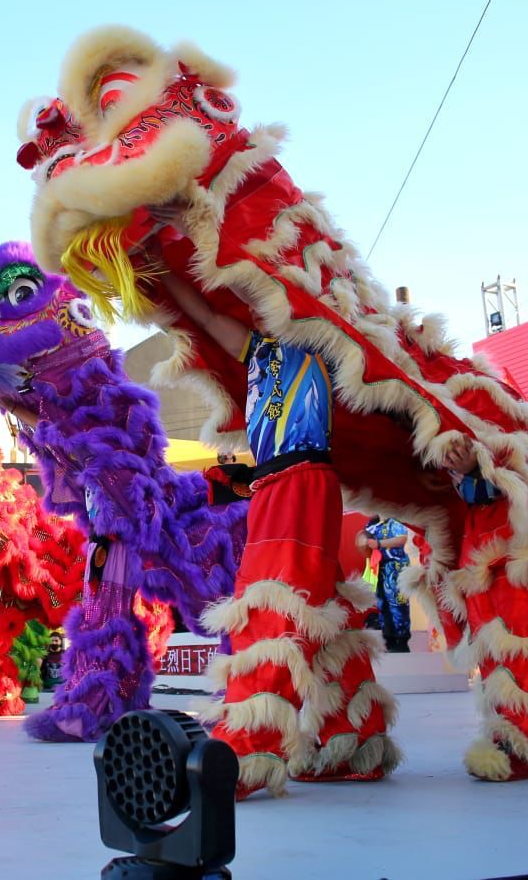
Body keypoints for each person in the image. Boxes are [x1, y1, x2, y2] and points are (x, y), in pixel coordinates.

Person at [159, 265, 396, 793]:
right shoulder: (258, 348)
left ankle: (249, 748)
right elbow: (205, 313)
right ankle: (353, 737)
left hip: (302, 479)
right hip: (278, 484)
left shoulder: (329, 341)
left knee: (273, 602)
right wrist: (159, 264)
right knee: (322, 608)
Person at [361, 517, 413, 653]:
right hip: (378, 566)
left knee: (397, 603)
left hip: (395, 566)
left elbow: (402, 538)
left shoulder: (395, 520)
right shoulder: (372, 524)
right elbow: (363, 541)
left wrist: (379, 543)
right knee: (382, 603)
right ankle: (388, 638)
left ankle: (401, 640)